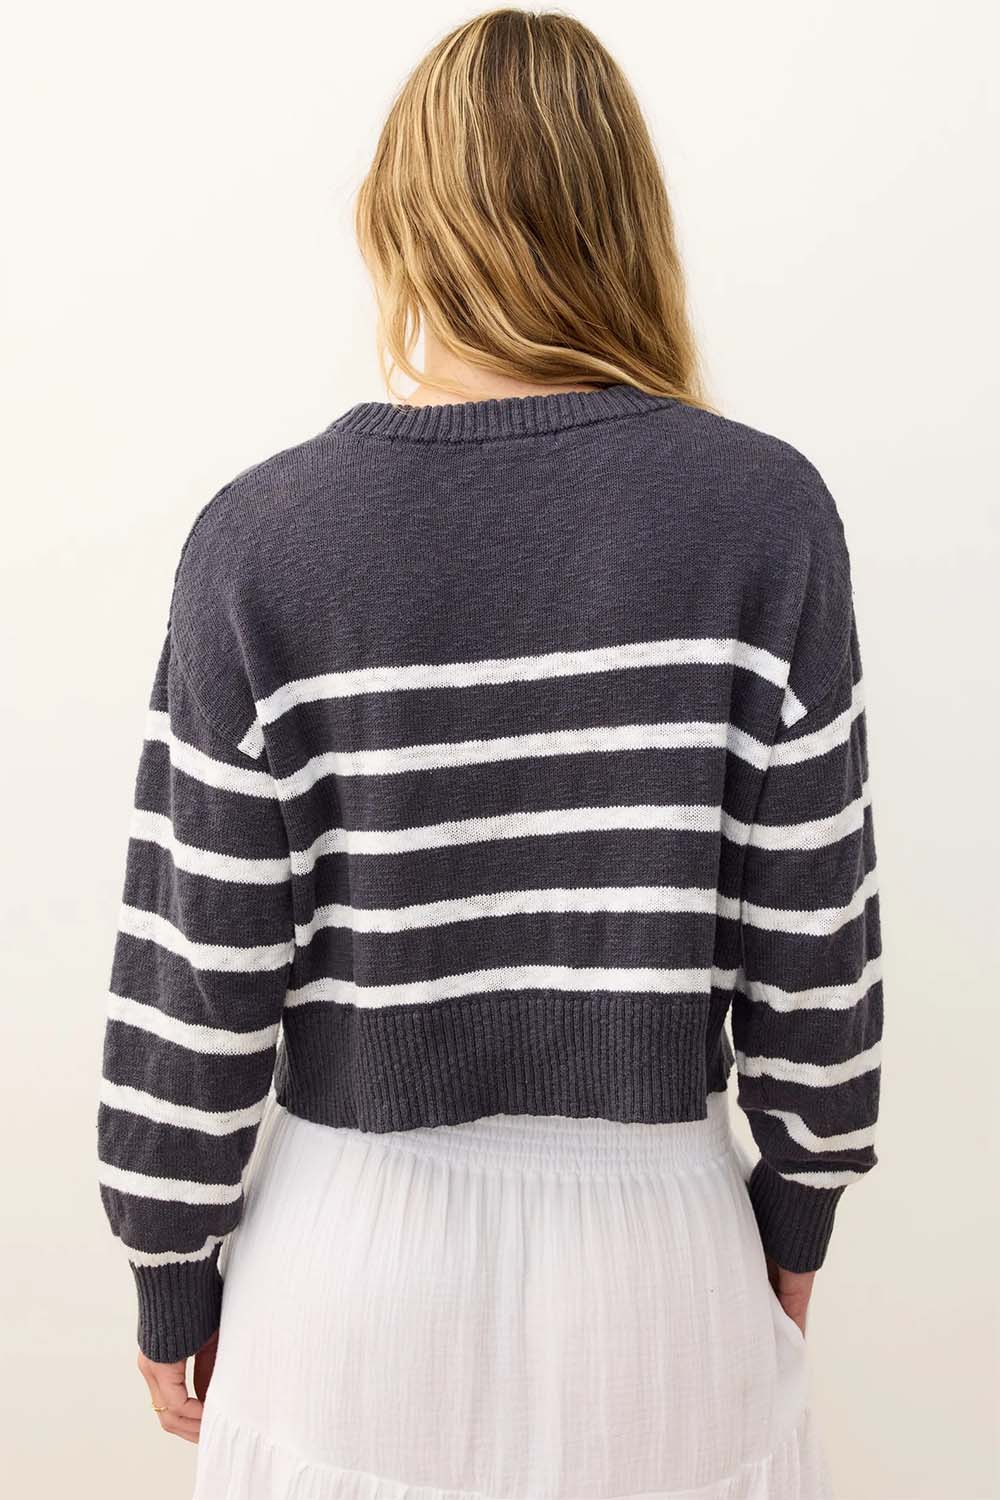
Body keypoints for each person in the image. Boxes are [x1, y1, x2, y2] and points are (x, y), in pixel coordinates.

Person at [96, 9, 883, 1498]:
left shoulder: (260, 542)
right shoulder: (765, 516)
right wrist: (800, 1208)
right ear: (625, 219)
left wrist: (167, 1256)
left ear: (399, 223)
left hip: (349, 1271)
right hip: (660, 1267)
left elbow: (196, 963)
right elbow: (815, 939)